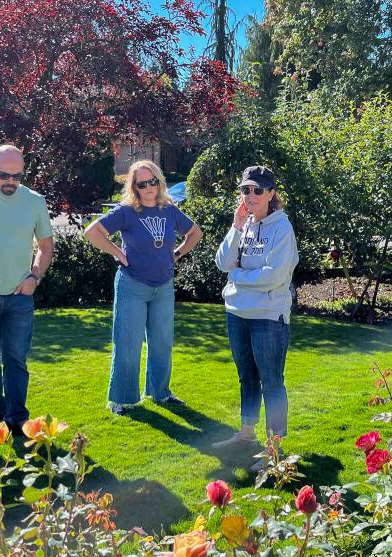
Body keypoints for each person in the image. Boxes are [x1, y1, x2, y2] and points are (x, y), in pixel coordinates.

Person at [85, 160, 201, 414]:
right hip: (132, 285)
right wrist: (117, 253)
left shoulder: (169, 210)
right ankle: (122, 400)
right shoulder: (127, 211)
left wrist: (178, 254)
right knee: (127, 343)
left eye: (152, 181)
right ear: (134, 187)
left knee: (162, 342)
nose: (148, 187)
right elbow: (93, 232)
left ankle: (160, 393)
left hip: (163, 287)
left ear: (159, 182)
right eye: (142, 183)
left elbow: (195, 232)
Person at [213, 166, 299, 471]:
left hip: (268, 316)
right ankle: (247, 435)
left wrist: (238, 274)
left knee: (271, 381)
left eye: (257, 190)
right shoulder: (245, 224)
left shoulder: (281, 229)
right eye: (245, 190)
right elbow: (223, 262)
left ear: (271, 194)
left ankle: (274, 449)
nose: (250, 196)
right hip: (237, 313)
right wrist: (236, 227)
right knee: (246, 377)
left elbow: (273, 277)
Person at [0, 145, 52, 432]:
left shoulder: (34, 201)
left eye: (18, 176)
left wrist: (34, 276)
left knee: (16, 359)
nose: (11, 182)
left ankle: (18, 418)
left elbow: (45, 246)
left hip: (20, 295)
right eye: (5, 175)